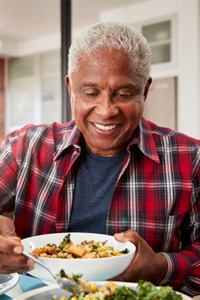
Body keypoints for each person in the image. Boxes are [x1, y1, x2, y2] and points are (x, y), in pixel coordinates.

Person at [0, 22, 199, 297]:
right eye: (90, 93)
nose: (106, 111)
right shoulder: (27, 147)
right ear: (71, 88)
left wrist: (160, 266)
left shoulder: (190, 158)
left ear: (145, 90)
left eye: (124, 93)